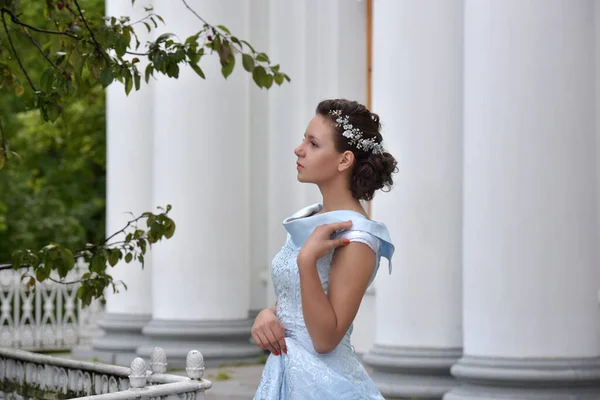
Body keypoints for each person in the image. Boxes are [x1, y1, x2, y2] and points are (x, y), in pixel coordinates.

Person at [252, 99, 397, 399]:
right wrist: (268, 315)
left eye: (313, 143)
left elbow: (325, 338)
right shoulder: (310, 219)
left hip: (325, 386)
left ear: (344, 161)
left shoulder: (357, 239)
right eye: (304, 139)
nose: (299, 149)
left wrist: (307, 260)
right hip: (284, 378)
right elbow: (293, 303)